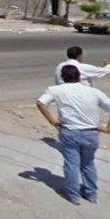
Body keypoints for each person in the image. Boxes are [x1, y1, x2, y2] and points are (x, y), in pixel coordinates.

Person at [37, 64, 110, 205]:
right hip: (91, 133)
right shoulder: (94, 92)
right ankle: (91, 194)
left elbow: (40, 103)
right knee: (88, 164)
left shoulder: (56, 90)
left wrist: (52, 120)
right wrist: (107, 128)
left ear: (62, 77)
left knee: (72, 164)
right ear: (79, 77)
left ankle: (73, 195)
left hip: (69, 132)